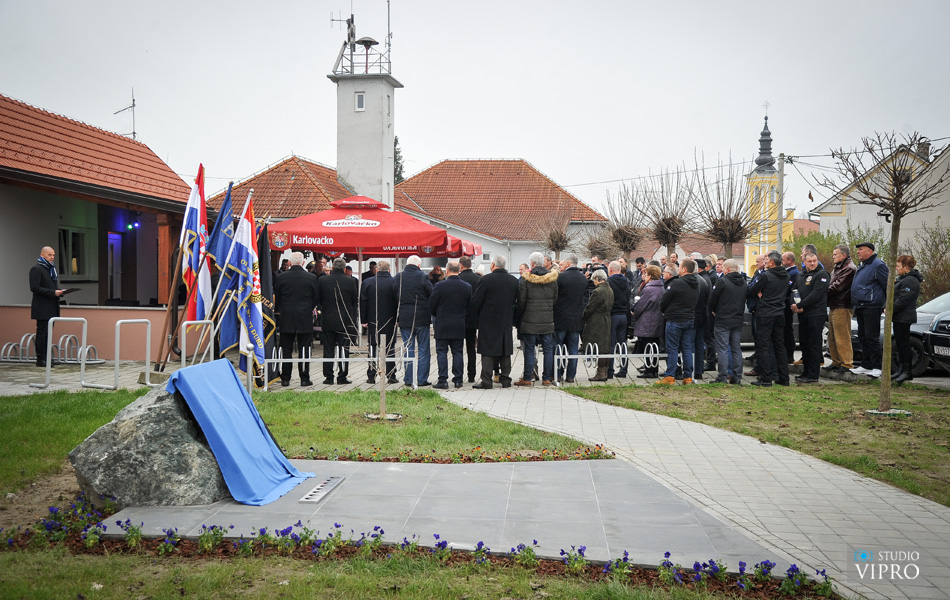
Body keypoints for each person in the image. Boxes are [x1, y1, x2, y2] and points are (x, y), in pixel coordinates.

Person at [470, 255, 520, 389]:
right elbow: (517, 302)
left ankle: (486, 381)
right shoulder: (513, 280)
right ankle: (506, 380)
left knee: (487, 350)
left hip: (488, 320)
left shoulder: (486, 280)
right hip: (506, 320)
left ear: (492, 265)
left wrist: (477, 316)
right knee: (505, 350)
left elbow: (476, 301)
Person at [274, 252, 319, 386]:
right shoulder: (311, 278)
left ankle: (285, 378)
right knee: (304, 349)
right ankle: (304, 378)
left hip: (286, 316)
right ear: (303, 263)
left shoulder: (280, 277)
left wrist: (283, 309)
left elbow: (278, 298)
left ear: (289, 263)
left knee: (286, 348)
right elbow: (315, 298)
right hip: (304, 317)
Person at [747, 251, 790, 387]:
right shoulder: (786, 275)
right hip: (779, 313)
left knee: (764, 345)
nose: (765, 262)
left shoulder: (766, 276)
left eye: (766, 260)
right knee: (779, 345)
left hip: (765, 313)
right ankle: (784, 377)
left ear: (771, 263)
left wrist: (760, 293)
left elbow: (751, 290)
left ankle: (766, 378)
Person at [515, 252, 559, 386]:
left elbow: (521, 301)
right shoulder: (552, 278)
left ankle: (527, 378)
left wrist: (522, 313)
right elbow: (555, 299)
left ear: (532, 264)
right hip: (547, 319)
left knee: (529, 349)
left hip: (529, 319)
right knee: (548, 349)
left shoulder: (526, 279)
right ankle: (547, 378)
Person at [655, 258, 700, 385]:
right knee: (687, 348)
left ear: (684, 269)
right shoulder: (696, 283)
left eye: (679, 267)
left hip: (675, 319)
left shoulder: (677, 283)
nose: (678, 269)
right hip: (689, 318)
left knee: (672, 348)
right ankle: (688, 377)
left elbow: (664, 300)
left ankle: (670, 376)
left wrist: (664, 310)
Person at [429, 261, 472, 389]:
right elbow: (469, 306)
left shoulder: (439, 286)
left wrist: (437, 314)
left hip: (442, 323)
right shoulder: (467, 287)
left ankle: (443, 379)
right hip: (459, 323)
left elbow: (432, 305)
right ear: (459, 270)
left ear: (447, 270)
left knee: (442, 352)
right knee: (458, 352)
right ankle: (458, 379)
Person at [317, 257, 359, 384]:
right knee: (344, 349)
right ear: (344, 269)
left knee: (328, 349)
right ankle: (342, 376)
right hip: (345, 320)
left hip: (328, 319)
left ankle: (328, 377)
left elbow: (319, 299)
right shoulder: (350, 281)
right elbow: (354, 301)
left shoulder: (323, 280)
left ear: (332, 267)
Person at [394, 255, 434, 387]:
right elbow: (431, 293)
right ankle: (422, 380)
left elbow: (395, 294)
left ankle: (409, 379)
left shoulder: (399, 277)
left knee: (408, 349)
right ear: (419, 265)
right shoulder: (423, 276)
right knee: (423, 349)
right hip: (421, 317)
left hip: (405, 317)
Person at [851, 242, 889, 378]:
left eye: (861, 249)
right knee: (862, 336)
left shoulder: (878, 265)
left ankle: (877, 366)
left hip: (872, 306)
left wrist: (886, 304)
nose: (858, 252)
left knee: (871, 337)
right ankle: (866, 364)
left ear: (869, 251)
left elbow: (888, 286)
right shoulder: (863, 265)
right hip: (860, 305)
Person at [790, 253, 829, 383]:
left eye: (814, 261)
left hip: (816, 314)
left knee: (814, 344)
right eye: (809, 261)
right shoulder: (801, 275)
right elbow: (794, 291)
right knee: (804, 343)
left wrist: (800, 305)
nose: (812, 263)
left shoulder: (822, 275)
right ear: (804, 262)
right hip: (803, 314)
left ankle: (813, 375)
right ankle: (805, 372)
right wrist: (794, 304)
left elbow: (816, 294)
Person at [361, 260, 398, 385]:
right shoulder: (394, 282)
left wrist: (363, 320)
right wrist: (398, 319)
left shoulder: (367, 282)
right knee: (390, 347)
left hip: (373, 320)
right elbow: (398, 302)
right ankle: (391, 375)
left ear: (376, 270)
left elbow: (363, 302)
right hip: (390, 319)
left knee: (372, 346)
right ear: (389, 270)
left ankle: (371, 375)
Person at [709, 259, 746, 384]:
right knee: (736, 349)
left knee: (722, 349)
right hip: (738, 319)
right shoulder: (743, 282)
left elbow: (713, 299)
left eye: (724, 268)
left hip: (723, 319)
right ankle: (737, 376)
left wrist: (714, 310)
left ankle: (722, 376)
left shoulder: (722, 281)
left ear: (727, 269)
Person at [554, 253, 588, 383]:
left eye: (563, 264)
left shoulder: (560, 277)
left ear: (568, 263)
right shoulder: (583, 278)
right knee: (573, 349)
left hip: (561, 318)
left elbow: (555, 296)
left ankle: (558, 374)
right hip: (576, 319)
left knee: (559, 348)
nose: (561, 266)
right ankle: (571, 376)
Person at [30, 246, 64, 367]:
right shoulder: (36, 269)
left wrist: (59, 291)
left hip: (52, 306)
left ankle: (48, 357)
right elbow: (34, 288)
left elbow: (51, 287)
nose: (52, 257)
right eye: (49, 255)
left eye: (53, 255)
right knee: (42, 333)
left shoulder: (51, 268)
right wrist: (53, 293)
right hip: (42, 307)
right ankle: (40, 359)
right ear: (42, 255)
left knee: (49, 333)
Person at [891, 255, 922, 384]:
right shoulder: (902, 279)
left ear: (906, 268)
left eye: (899, 266)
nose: (897, 268)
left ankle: (907, 371)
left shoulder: (911, 281)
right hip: (898, 316)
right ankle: (901, 369)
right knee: (899, 343)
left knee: (904, 344)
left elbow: (903, 299)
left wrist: (890, 309)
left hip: (904, 316)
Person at [825, 244, 856, 375]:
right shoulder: (838, 267)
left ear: (843, 255)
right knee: (832, 336)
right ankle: (836, 361)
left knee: (842, 336)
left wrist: (822, 291)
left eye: (835, 254)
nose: (833, 257)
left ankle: (846, 363)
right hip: (834, 305)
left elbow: (837, 286)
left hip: (842, 305)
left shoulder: (849, 269)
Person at [630, 265, 664, 378]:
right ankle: (654, 369)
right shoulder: (661, 287)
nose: (644, 276)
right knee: (655, 345)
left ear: (650, 275)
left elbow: (641, 305)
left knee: (647, 346)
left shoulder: (649, 289)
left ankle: (649, 371)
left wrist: (634, 313)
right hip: (657, 319)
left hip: (647, 320)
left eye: (646, 274)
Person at [583, 269, 613, 382]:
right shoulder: (609, 289)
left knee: (599, 347)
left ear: (597, 279)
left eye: (594, 280)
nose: (593, 283)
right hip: (607, 319)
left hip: (597, 321)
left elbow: (590, 307)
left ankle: (600, 373)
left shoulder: (597, 291)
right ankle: (604, 371)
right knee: (605, 347)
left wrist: (584, 317)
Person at [458, 256, 481, 383]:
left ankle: (458, 375)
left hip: (459, 318)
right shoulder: (478, 279)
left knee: (458, 348)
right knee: (471, 347)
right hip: (473, 318)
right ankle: (471, 375)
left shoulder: (458, 278)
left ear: (461, 265)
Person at [606, 260, 631, 378]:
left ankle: (610, 371)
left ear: (610, 269)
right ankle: (623, 369)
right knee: (623, 344)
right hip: (624, 315)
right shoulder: (626, 281)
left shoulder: (609, 282)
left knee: (611, 344)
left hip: (613, 315)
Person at [690, 258, 710, 380]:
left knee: (691, 344)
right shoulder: (704, 281)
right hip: (702, 316)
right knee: (699, 343)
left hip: (692, 316)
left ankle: (691, 370)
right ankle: (698, 370)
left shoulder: (690, 281)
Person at [782, 251, 800, 364]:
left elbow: (790, 288)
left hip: (788, 305)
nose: (782, 261)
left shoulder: (794, 273)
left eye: (783, 259)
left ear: (790, 260)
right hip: (784, 304)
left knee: (787, 330)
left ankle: (789, 355)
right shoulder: (787, 271)